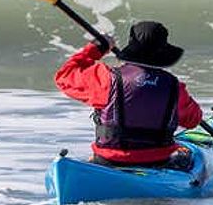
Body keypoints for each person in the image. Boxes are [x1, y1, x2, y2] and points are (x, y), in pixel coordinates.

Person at [54, 20, 203, 169]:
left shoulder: (107, 78)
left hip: (108, 161)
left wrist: (97, 48)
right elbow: (193, 120)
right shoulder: (174, 87)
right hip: (157, 163)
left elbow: (64, 77)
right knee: (187, 157)